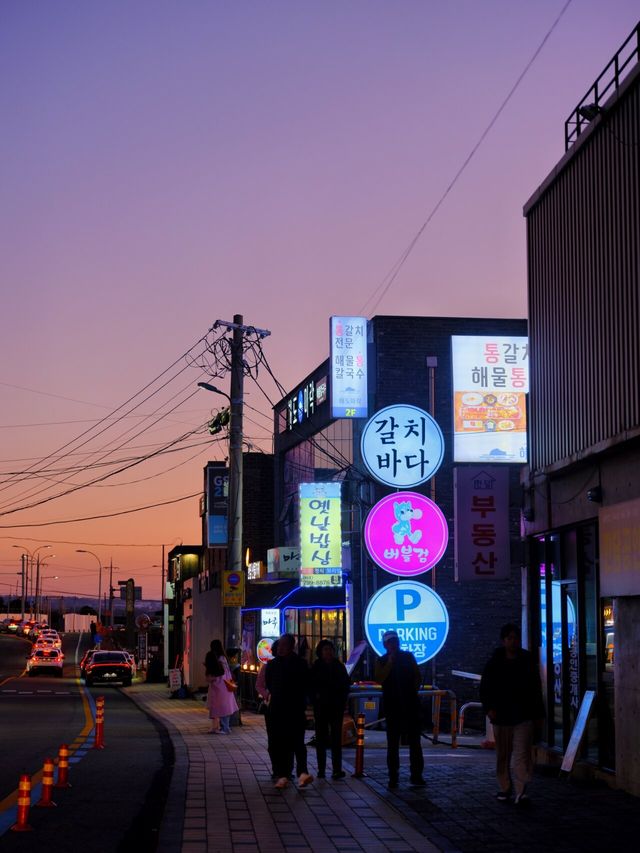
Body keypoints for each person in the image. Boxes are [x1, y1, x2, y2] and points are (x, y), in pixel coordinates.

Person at [480, 623, 545, 806]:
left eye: (515, 638)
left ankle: (521, 789)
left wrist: (538, 713)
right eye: (510, 638)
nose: (513, 641)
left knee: (521, 753)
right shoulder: (495, 662)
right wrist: (489, 708)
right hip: (501, 715)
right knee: (503, 754)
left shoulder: (526, 660)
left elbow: (535, 688)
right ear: (503, 640)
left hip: (523, 715)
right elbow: (485, 687)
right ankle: (505, 786)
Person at [374, 629, 425, 789]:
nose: (394, 644)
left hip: (410, 704)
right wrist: (389, 663)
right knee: (393, 743)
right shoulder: (381, 661)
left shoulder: (408, 657)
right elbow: (379, 678)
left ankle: (416, 775)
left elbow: (417, 677)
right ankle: (393, 776)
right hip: (392, 706)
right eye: (390, 642)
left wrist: (412, 691)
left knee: (415, 742)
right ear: (385, 645)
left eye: (395, 641)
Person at [265, 633, 313, 789]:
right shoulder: (272, 665)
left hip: (294, 708)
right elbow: (270, 685)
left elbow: (305, 685)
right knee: (281, 743)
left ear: (292, 647)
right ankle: (283, 774)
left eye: (284, 645)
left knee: (297, 742)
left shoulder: (300, 664)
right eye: (279, 645)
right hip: (278, 709)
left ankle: (301, 773)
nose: (281, 648)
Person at [310, 640, 350, 779]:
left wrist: (342, 701)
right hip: (321, 707)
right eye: (325, 649)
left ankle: (336, 769)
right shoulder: (316, 667)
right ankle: (321, 769)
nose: (328, 652)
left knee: (336, 738)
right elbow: (311, 687)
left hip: (335, 707)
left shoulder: (339, 666)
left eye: (330, 649)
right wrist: (316, 699)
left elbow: (345, 685)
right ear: (320, 652)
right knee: (321, 738)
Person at [255, 639, 279, 778]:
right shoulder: (268, 666)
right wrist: (267, 695)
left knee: (285, 740)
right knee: (273, 739)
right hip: (271, 706)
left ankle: (286, 770)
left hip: (287, 707)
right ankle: (277, 769)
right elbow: (259, 685)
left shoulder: (291, 665)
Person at [204, 639, 238, 734]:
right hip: (223, 685)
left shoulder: (218, 658)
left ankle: (224, 728)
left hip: (220, 686)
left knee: (220, 707)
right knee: (222, 707)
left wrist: (212, 678)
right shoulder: (222, 658)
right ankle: (218, 727)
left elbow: (220, 673)